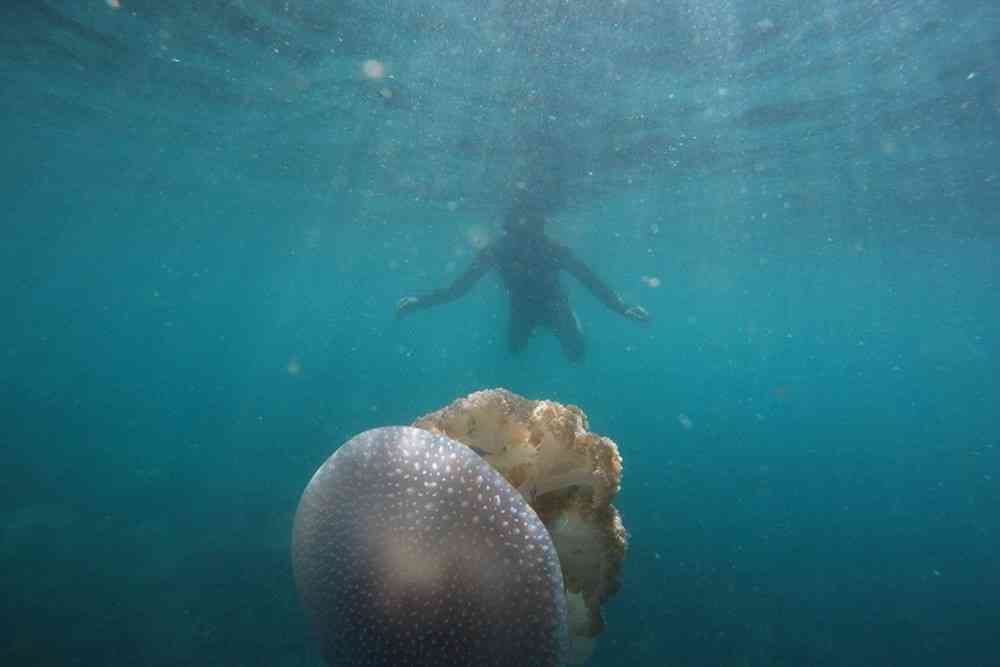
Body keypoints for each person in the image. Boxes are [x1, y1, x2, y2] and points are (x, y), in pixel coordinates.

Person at [395, 202, 649, 363]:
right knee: (516, 351)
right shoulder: (501, 251)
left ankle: (552, 324)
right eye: (519, 230)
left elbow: (589, 279)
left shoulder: (544, 249)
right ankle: (549, 325)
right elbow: (459, 289)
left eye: (530, 229)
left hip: (554, 305)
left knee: (576, 354)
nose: (525, 238)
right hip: (526, 308)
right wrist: (420, 302)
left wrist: (621, 307)